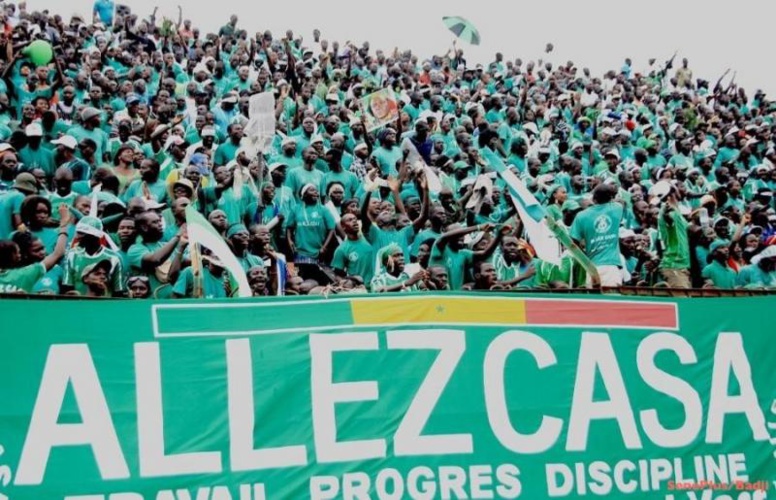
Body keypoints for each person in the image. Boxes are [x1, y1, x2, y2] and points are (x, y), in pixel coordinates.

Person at [0, 204, 71, 293]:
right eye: (17, 252)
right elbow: (57, 253)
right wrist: (64, 223)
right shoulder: (26, 274)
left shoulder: (31, 272)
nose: (43, 252)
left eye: (43, 248)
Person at [570, 183, 624, 287]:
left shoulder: (581, 216)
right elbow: (620, 200)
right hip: (610, 266)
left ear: (594, 198)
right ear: (611, 197)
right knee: (611, 301)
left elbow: (573, 242)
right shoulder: (617, 208)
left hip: (591, 267)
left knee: (594, 302)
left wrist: (585, 258)